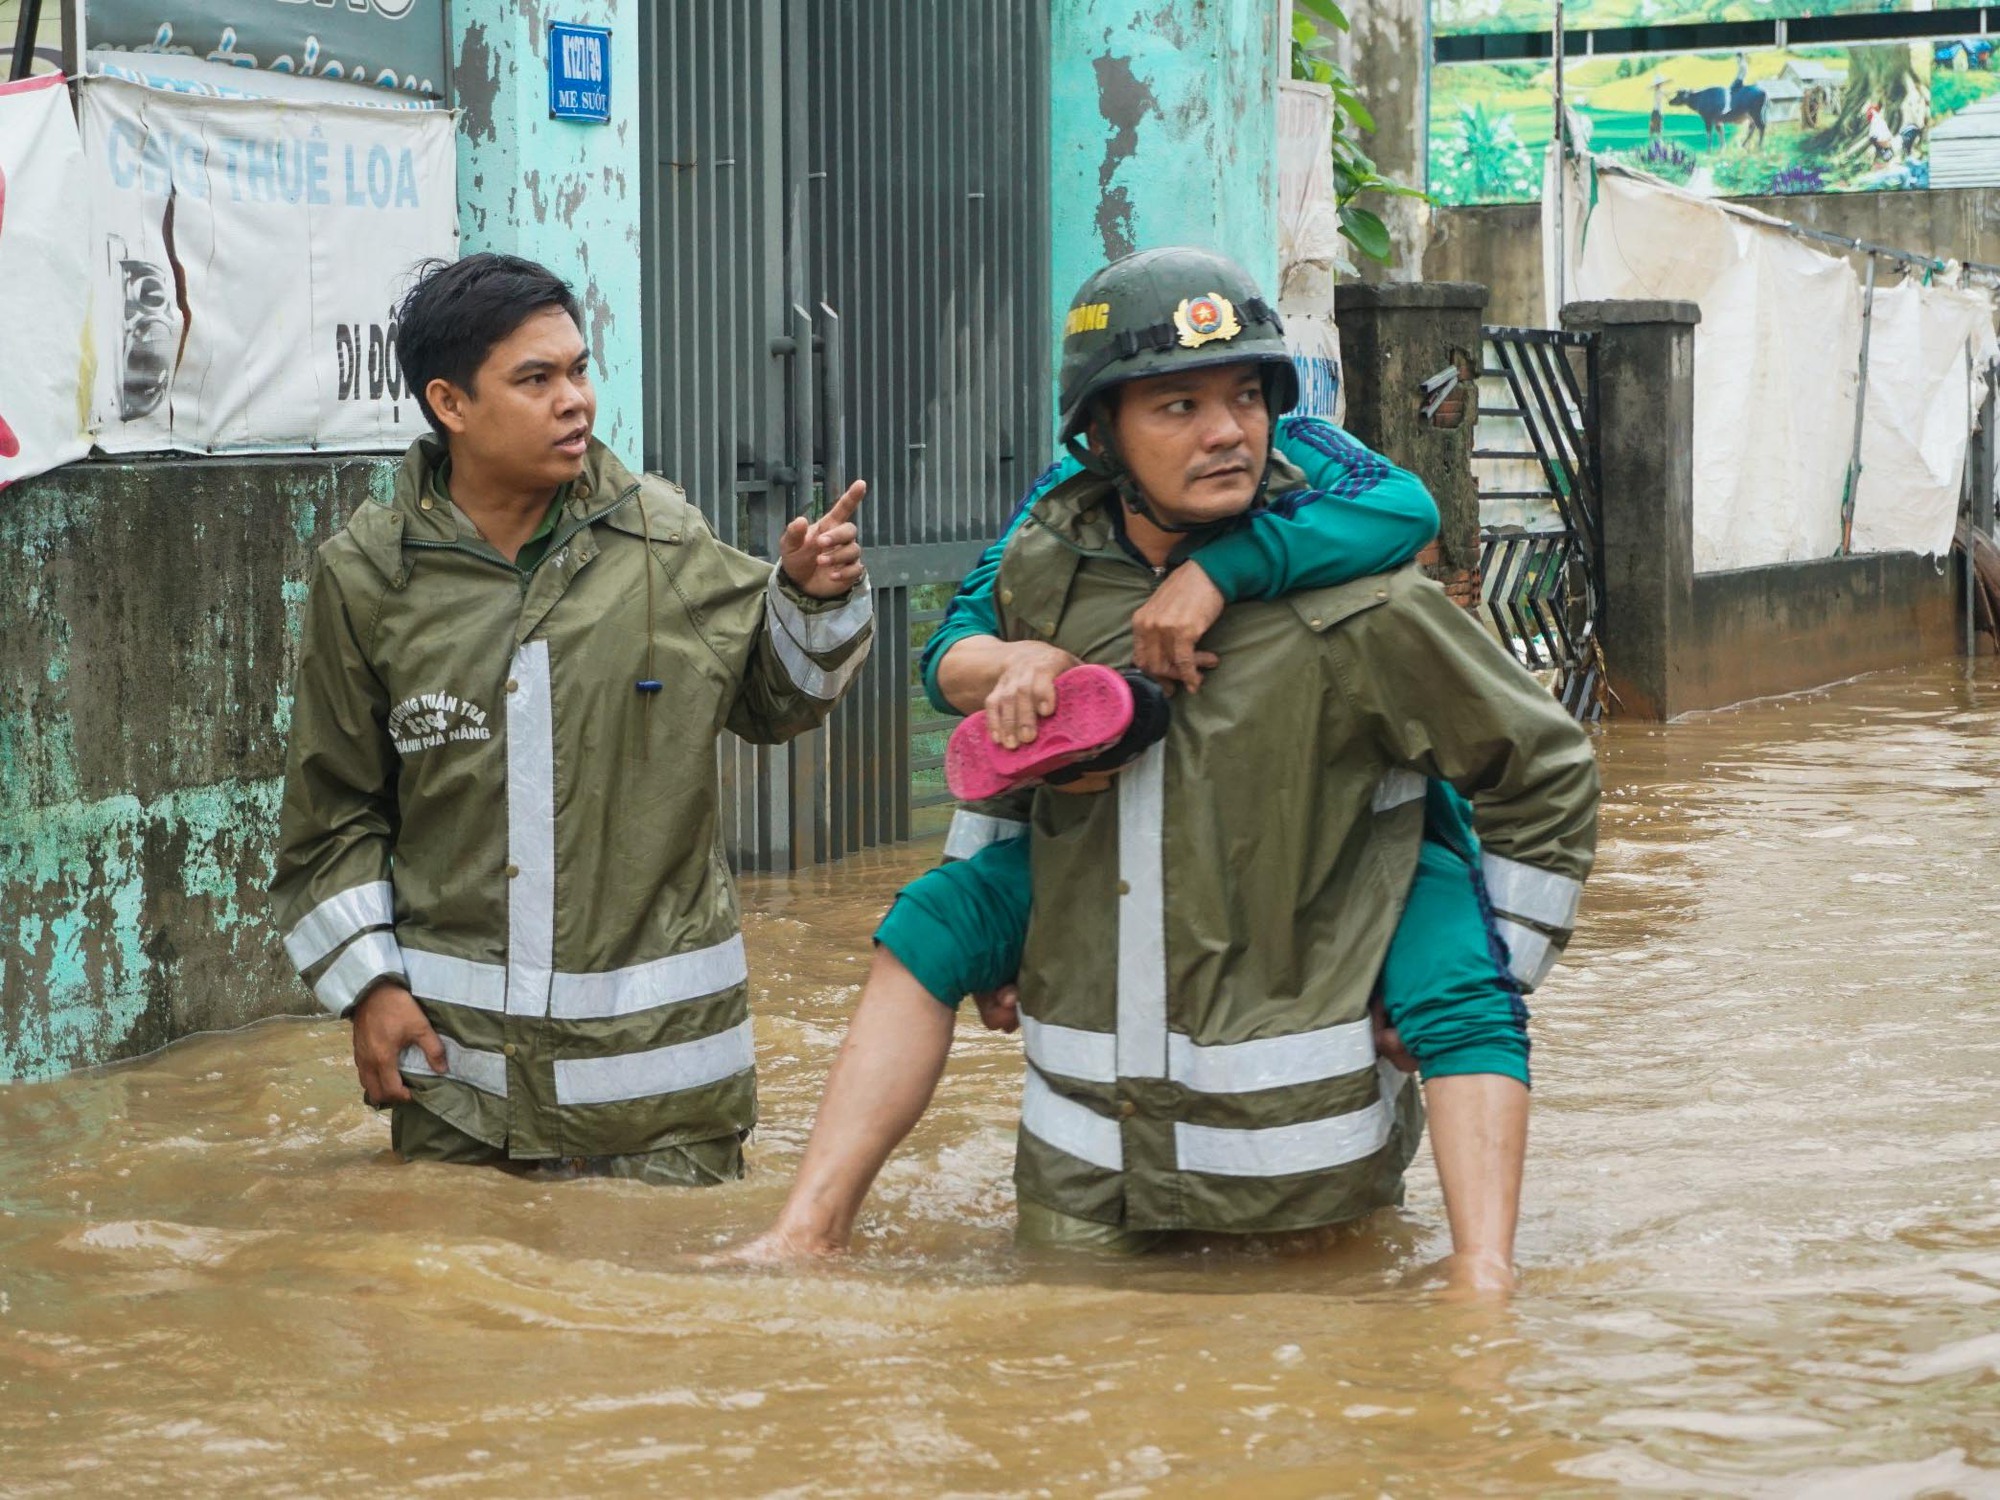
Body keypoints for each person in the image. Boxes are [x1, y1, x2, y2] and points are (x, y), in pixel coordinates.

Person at [740, 248, 1599, 1288]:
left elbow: (1542, 770)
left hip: (1299, 1166)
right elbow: (972, 700)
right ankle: (806, 1230)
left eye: (1244, 397)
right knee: (927, 924)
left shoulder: (1362, 594)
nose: (1226, 431)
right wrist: (1010, 713)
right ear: (1098, 436)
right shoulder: (1047, 558)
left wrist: (1504, 968)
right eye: (1177, 406)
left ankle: (1480, 1283)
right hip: (1085, 1168)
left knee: (1458, 994)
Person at [270, 253, 873, 1185]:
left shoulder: (661, 538)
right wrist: (371, 991)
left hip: (667, 1109)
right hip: (461, 1098)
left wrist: (809, 598)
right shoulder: (369, 579)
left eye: (579, 370)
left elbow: (778, 699)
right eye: (536, 378)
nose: (575, 401)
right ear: (451, 403)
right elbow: (333, 816)